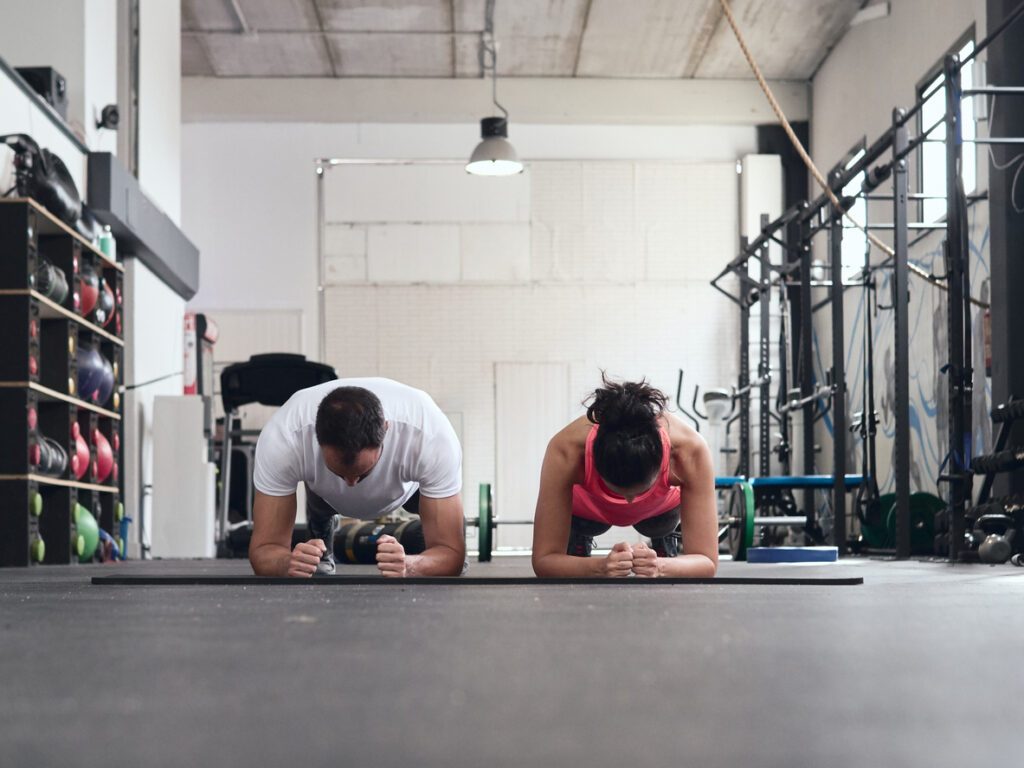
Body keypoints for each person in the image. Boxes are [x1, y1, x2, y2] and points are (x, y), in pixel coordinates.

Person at [249, 378, 465, 578]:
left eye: (362, 474)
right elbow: (264, 550)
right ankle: (320, 531)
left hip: (408, 489)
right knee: (319, 497)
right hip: (322, 495)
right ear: (315, 435)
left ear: (386, 430)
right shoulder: (284, 437)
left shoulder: (429, 435)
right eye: (339, 474)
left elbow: (451, 554)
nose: (351, 485)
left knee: (454, 554)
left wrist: (411, 565)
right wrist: (288, 563)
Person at [532, 375, 718, 578]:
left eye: (642, 489)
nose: (629, 501)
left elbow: (707, 561)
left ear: (663, 459)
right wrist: (598, 567)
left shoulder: (689, 451)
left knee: (659, 525)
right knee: (586, 526)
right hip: (589, 513)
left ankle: (664, 539)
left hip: (658, 514)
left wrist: (661, 566)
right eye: (616, 490)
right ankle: (578, 538)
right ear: (594, 458)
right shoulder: (566, 450)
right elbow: (544, 560)